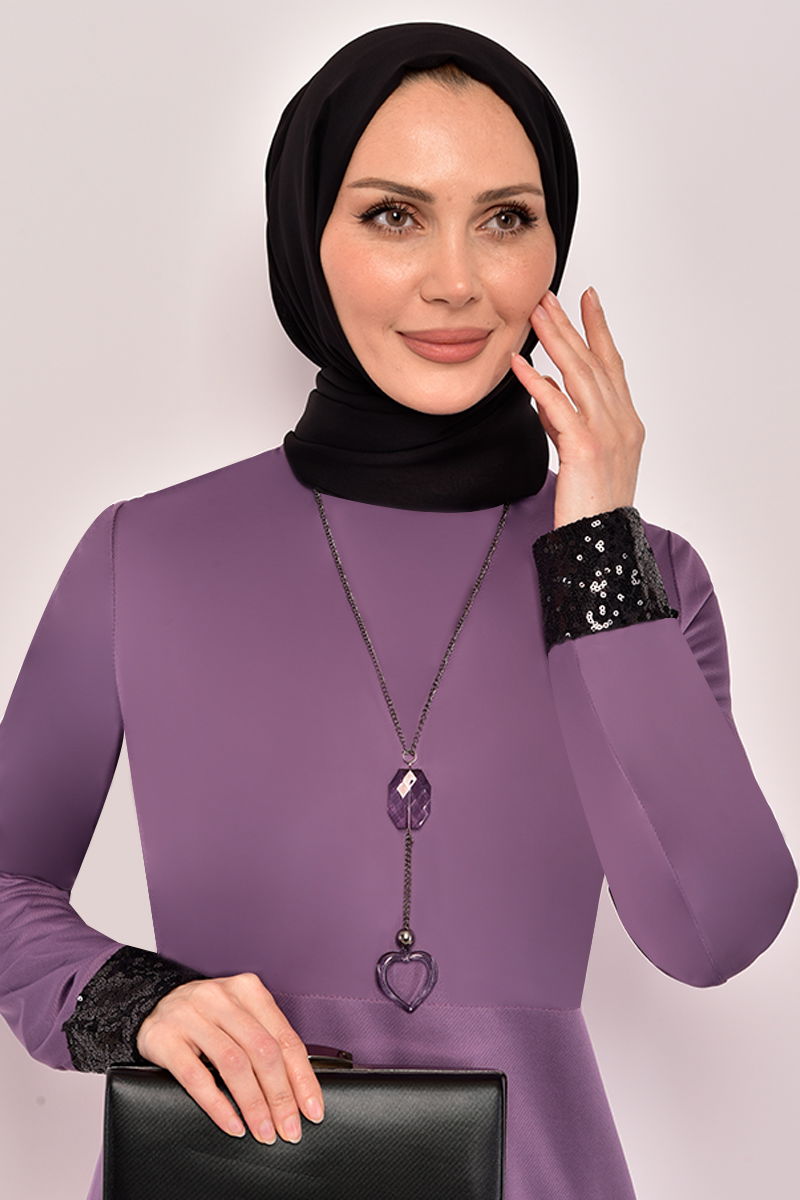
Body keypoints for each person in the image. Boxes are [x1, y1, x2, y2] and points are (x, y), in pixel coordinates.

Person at [0, 21, 796, 1200]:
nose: (455, 280)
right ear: (304, 238)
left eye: (504, 218)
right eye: (392, 215)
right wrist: (132, 1000)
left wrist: (595, 551)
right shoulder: (146, 553)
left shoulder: (645, 581)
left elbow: (714, 930)